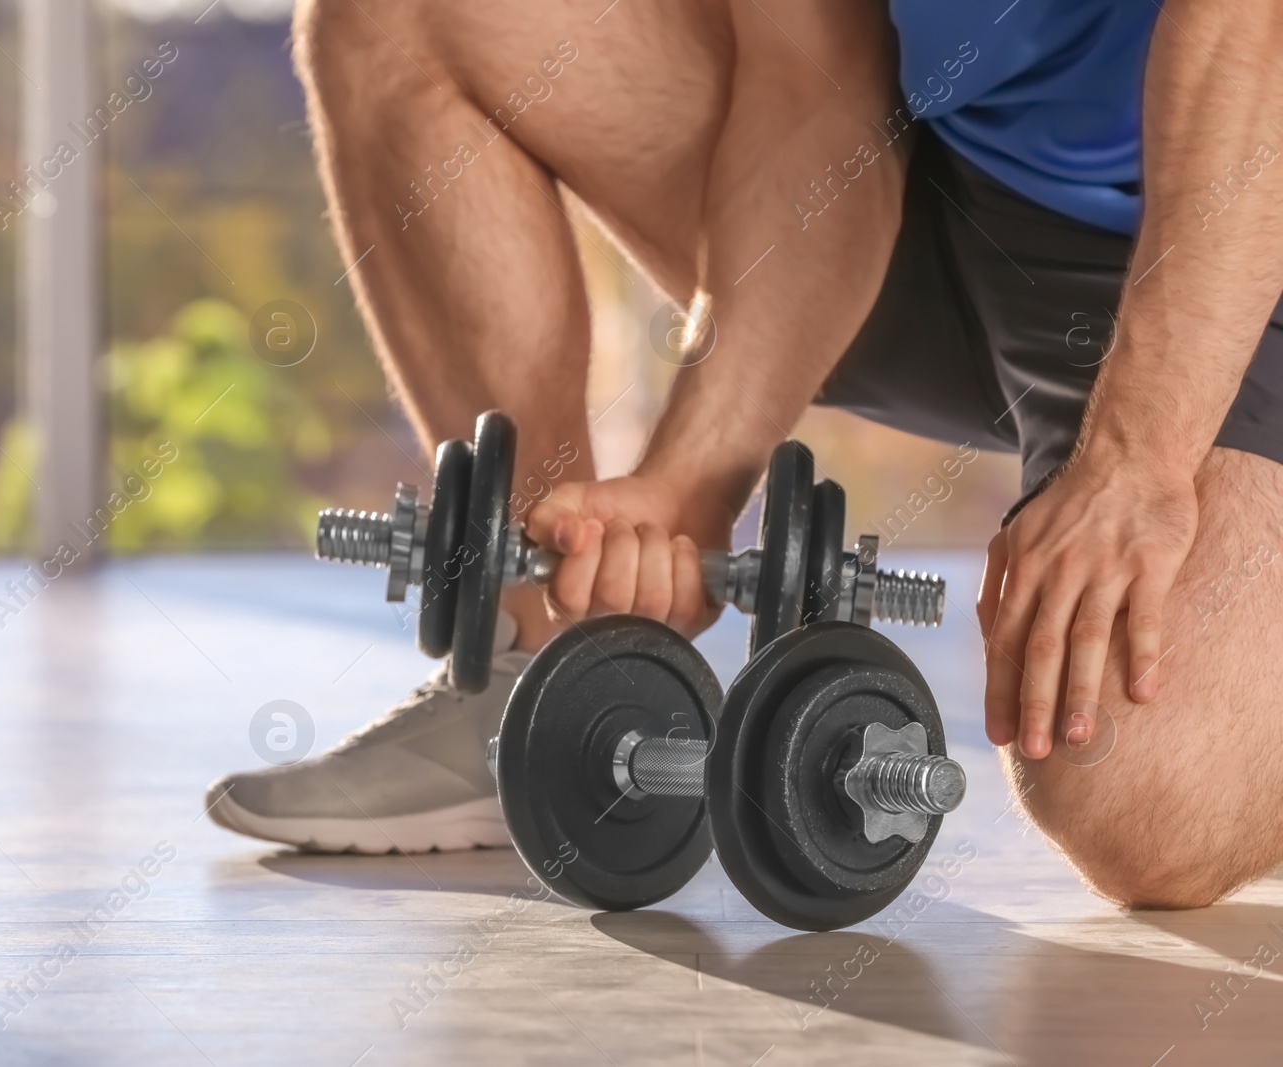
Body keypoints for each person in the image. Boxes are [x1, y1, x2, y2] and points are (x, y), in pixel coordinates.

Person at [207, 0, 1283, 908]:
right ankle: (546, 674)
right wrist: (689, 480)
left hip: (1243, 216)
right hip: (966, 194)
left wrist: (1139, 456)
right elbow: (811, 82)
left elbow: (1249, 38)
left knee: (1143, 799)